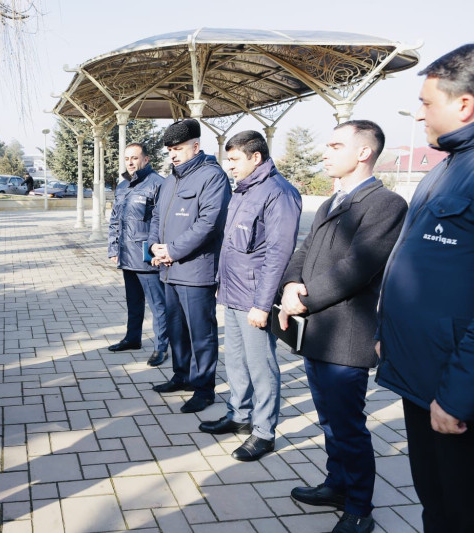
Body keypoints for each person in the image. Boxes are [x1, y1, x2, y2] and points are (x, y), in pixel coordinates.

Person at [278, 120, 407, 533]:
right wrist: (291, 284)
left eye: (335, 145)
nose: (325, 152)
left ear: (364, 152)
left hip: (347, 336)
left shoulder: (385, 204)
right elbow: (303, 250)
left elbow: (358, 267)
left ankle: (359, 507)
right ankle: (337, 484)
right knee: (330, 420)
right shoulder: (332, 201)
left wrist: (304, 298)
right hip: (318, 332)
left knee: (348, 426)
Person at [375, 44, 474, 533]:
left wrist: (458, 395)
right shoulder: (446, 167)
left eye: (426, 103)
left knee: (459, 511)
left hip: (454, 391)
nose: (418, 115)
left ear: (464, 104)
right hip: (421, 377)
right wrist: (386, 334)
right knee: (435, 504)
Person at [199, 131, 301, 461]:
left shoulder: (278, 193)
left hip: (255, 298)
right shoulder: (244, 190)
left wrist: (262, 304)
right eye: (227, 159)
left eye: (234, 159)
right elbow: (232, 243)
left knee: (261, 366)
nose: (229, 165)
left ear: (255, 157)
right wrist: (221, 282)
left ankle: (264, 432)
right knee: (236, 360)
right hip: (232, 291)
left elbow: (278, 254)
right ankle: (239, 415)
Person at [147, 119, 231, 413]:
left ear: (195, 146)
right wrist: (153, 246)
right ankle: (181, 375)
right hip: (169, 270)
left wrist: (172, 250)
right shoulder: (170, 180)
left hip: (196, 270)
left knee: (201, 333)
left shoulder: (212, 177)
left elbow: (209, 224)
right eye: (170, 149)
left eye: (178, 148)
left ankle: (204, 388)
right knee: (177, 329)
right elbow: (156, 217)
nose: (173, 154)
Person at [107, 143, 168, 367]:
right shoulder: (123, 185)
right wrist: (114, 248)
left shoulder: (158, 183)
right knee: (133, 301)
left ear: (146, 159)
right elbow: (115, 220)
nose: (130, 162)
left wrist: (157, 251)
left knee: (157, 304)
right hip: (126, 255)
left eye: (134, 158)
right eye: (127, 158)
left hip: (146, 256)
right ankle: (132, 339)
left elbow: (163, 223)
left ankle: (162, 346)